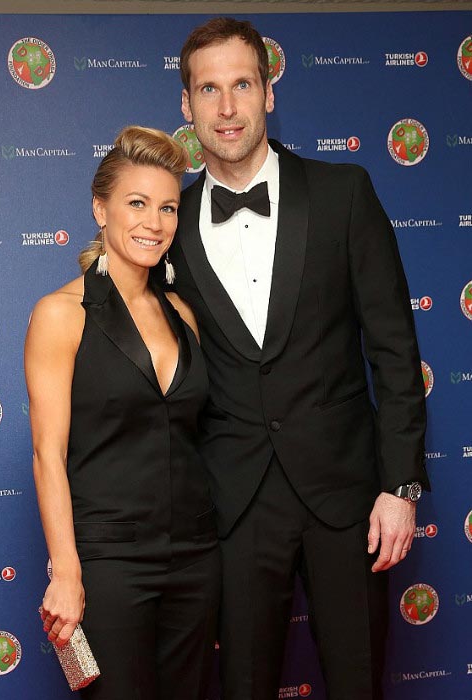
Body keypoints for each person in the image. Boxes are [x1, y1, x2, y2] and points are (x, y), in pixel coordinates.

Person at [165, 17, 430, 700]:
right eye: (208, 90)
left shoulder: (343, 193)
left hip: (348, 498)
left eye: (241, 85)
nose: (226, 108)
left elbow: (394, 350)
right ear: (187, 106)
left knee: (357, 683)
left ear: (268, 92)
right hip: (236, 505)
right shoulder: (169, 226)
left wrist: (399, 488)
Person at [25, 125, 220, 700]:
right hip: (108, 564)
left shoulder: (183, 313)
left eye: (166, 207)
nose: (153, 223)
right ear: (100, 208)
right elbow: (47, 455)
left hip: (195, 558)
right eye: (136, 203)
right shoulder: (62, 314)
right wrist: (66, 571)